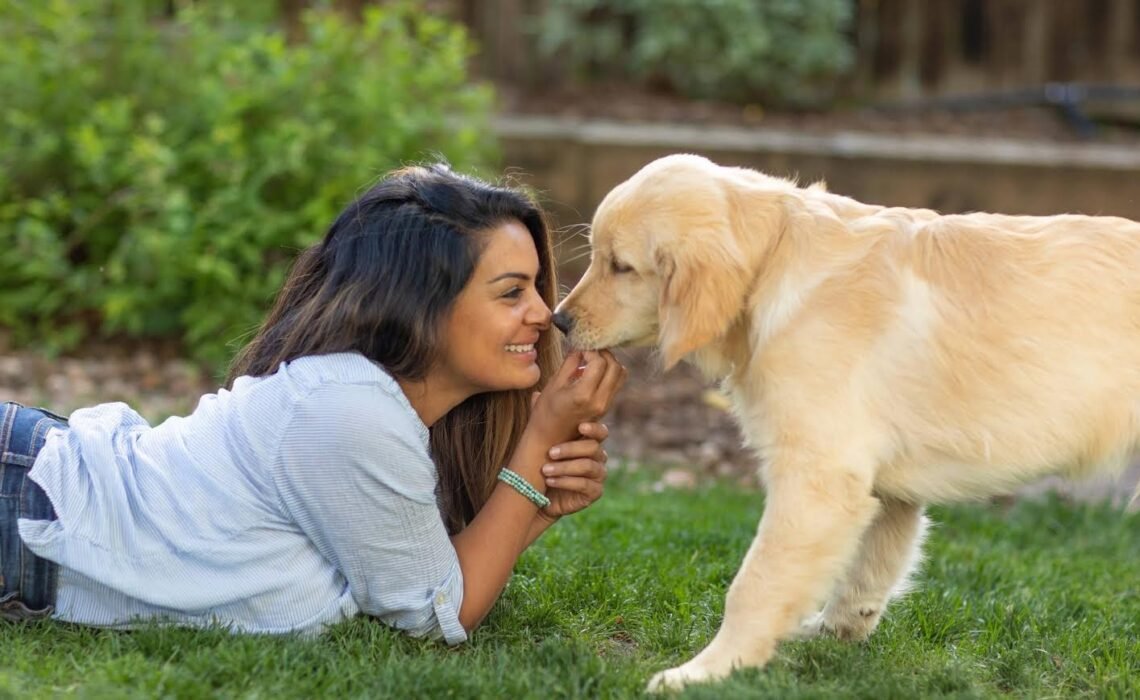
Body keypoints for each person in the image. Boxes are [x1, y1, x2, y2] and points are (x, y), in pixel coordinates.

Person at [0, 162, 627, 644]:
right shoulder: (350, 410)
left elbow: (426, 579)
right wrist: (539, 442)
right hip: (24, 502)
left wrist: (535, 507)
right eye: (512, 292)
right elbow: (440, 614)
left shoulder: (380, 412)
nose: (545, 315)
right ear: (422, 303)